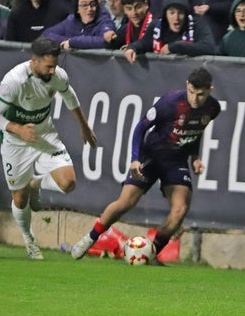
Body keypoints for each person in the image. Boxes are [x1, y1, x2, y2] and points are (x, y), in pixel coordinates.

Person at [71, 67, 221, 264]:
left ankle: (150, 255)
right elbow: (140, 128)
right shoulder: (170, 103)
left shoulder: (213, 109)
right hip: (151, 155)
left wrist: (195, 157)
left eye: (200, 94)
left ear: (210, 90)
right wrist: (135, 158)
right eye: (192, 92)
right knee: (125, 203)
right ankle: (90, 238)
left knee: (180, 210)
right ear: (187, 86)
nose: (195, 99)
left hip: (176, 162)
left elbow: (194, 131)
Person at [0, 37, 97, 260]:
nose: (53, 70)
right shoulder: (14, 81)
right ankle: (29, 239)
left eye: (55, 65)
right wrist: (18, 129)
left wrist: (84, 126)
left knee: (68, 183)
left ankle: (35, 182)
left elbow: (69, 96)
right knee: (19, 199)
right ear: (33, 61)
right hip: (15, 141)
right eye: (48, 66)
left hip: (44, 134)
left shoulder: (56, 76)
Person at [124, 0, 216, 63]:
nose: (176, 18)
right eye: (172, 13)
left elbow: (209, 47)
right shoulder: (156, 26)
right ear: (165, 15)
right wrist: (132, 48)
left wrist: (175, 47)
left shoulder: (197, 24)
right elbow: (144, 43)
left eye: (180, 13)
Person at [42, 0, 116, 50]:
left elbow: (105, 41)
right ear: (77, 9)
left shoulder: (105, 21)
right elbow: (47, 34)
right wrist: (68, 41)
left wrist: (73, 42)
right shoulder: (71, 20)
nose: (90, 9)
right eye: (84, 5)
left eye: (93, 4)